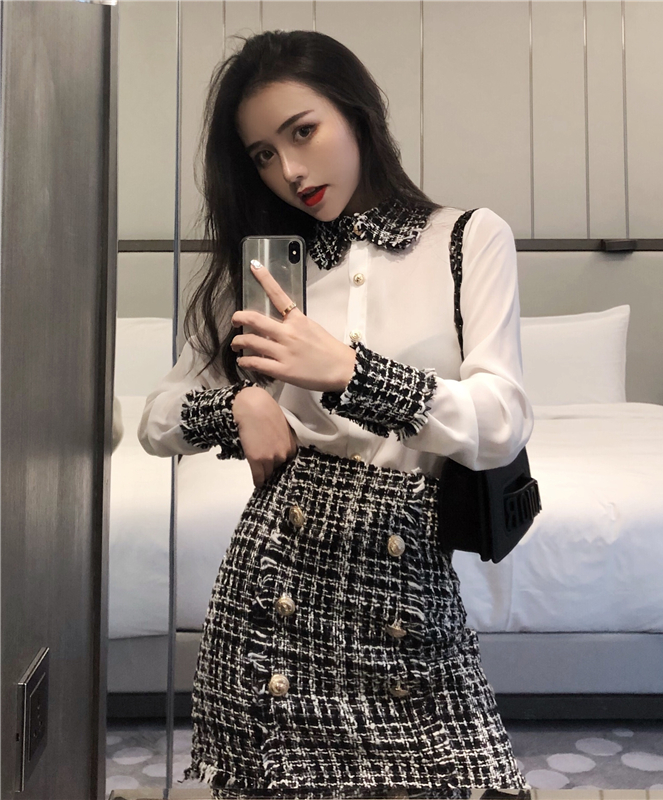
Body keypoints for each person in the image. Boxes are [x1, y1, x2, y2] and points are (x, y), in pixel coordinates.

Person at [138, 29, 533, 800]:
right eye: (262, 154)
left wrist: (354, 373)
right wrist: (240, 404)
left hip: (404, 569)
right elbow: (157, 419)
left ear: (357, 113)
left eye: (302, 131)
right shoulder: (261, 268)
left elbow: (501, 422)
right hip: (278, 572)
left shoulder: (466, 240)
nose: (288, 170)